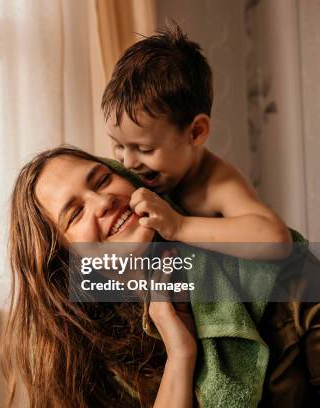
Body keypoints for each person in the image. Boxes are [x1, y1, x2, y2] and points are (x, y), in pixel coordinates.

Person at [1, 146, 320, 407]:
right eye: (75, 213)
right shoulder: (82, 359)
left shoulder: (269, 270)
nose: (103, 201)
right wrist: (180, 355)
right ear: (66, 260)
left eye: (101, 180)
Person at [101, 24, 291, 260]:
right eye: (119, 145)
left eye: (145, 149)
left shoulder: (218, 183)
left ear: (196, 133)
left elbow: (276, 240)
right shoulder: (142, 174)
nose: (128, 161)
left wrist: (180, 226)